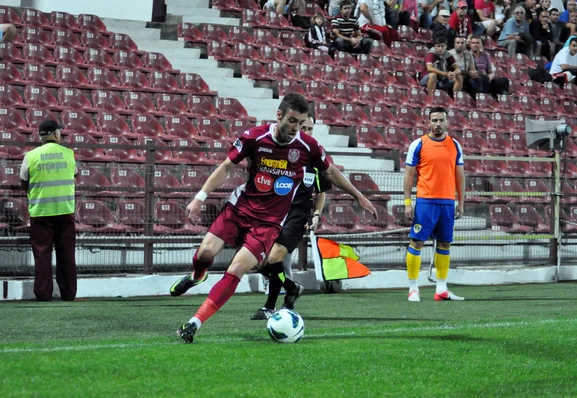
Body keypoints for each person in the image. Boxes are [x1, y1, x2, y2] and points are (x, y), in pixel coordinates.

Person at [170, 93, 377, 343]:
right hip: (239, 209)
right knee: (205, 254)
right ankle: (196, 276)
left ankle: (194, 322)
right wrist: (200, 197)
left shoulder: (307, 147)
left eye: (300, 123)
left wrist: (358, 196)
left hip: (268, 223)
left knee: (236, 268)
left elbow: (330, 172)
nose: (295, 128)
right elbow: (226, 166)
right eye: (292, 121)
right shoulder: (254, 137)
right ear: (279, 115)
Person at [250, 116, 330, 320]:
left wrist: (316, 214)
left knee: (277, 260)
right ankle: (292, 287)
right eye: (303, 127)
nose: (307, 132)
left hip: (297, 217)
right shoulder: (282, 153)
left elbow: (321, 192)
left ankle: (270, 306)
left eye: (310, 128)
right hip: (273, 214)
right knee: (257, 262)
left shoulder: (315, 158)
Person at [404, 106, 466, 302]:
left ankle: (441, 288)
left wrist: (461, 202)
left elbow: (460, 176)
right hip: (425, 202)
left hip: (447, 202)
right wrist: (407, 202)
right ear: (428, 123)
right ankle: (413, 288)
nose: (438, 124)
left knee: (445, 243)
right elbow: (408, 175)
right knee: (417, 241)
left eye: (441, 120)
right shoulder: (418, 144)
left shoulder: (455, 145)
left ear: (447, 122)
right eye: (434, 120)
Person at [19, 120, 78, 302]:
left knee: (42, 255)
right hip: (64, 211)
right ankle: (68, 294)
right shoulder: (68, 154)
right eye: (59, 131)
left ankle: (43, 295)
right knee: (66, 254)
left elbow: (23, 181)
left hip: (41, 212)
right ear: (54, 134)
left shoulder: (31, 156)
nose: (61, 134)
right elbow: (74, 174)